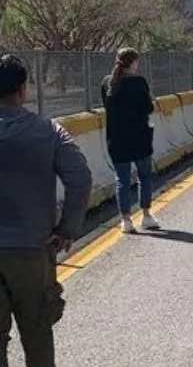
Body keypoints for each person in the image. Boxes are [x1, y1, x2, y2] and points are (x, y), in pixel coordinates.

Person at [0, 53, 93, 366]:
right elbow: (80, 180)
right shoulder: (50, 132)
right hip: (33, 252)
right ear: (23, 89)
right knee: (38, 338)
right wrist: (67, 229)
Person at [101, 47, 160, 234]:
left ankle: (126, 220)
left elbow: (107, 106)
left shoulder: (108, 83)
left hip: (117, 139)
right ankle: (146, 215)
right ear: (132, 62)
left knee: (122, 180)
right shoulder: (140, 82)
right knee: (144, 177)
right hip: (140, 137)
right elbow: (147, 108)